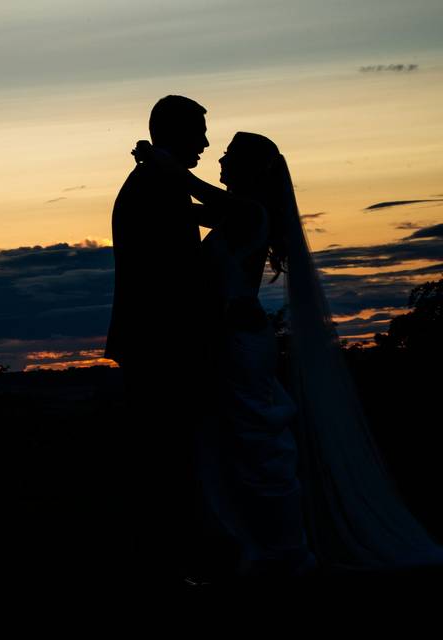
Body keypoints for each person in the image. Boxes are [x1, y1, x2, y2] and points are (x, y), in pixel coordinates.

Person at [133, 132, 443, 577]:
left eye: (230, 155)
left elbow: (193, 192)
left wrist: (156, 158)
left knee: (260, 442)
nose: (219, 157)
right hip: (230, 338)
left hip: (241, 340)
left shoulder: (248, 211)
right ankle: (260, 542)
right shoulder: (238, 213)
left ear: (250, 168)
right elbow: (185, 210)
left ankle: (284, 550)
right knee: (242, 441)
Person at [102, 95, 221, 583]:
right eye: (198, 131)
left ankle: (169, 559)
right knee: (167, 459)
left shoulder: (158, 178)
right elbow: (170, 273)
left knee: (166, 456)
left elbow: (224, 217)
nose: (208, 143)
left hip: (155, 341)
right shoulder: (156, 182)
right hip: (162, 344)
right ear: (173, 133)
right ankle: (170, 564)